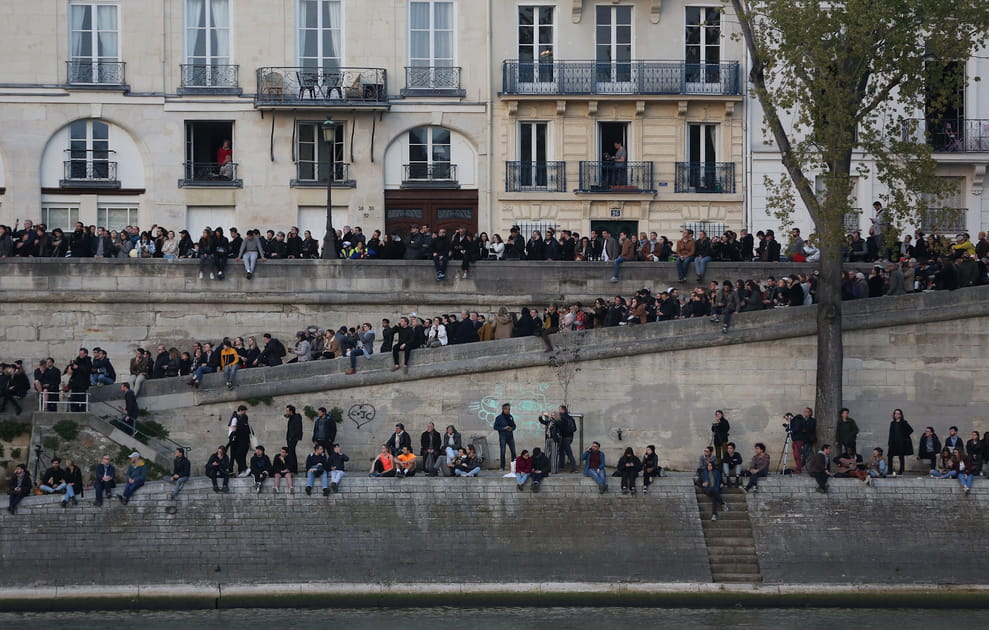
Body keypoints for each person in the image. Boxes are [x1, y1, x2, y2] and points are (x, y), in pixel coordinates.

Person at [227, 405, 253, 476]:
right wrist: (235, 435)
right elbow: (233, 428)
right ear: (241, 410)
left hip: (235, 439)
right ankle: (233, 470)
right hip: (233, 439)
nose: (244, 413)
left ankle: (240, 469)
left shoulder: (238, 418)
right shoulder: (235, 418)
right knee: (234, 455)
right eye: (244, 411)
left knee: (236, 455)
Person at [887, 410, 913, 476]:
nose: (896, 415)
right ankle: (890, 470)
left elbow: (910, 430)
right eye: (895, 413)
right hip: (893, 442)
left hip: (901, 442)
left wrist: (903, 436)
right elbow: (891, 433)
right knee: (890, 456)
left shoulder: (904, 422)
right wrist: (889, 442)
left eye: (898, 414)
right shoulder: (892, 423)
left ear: (901, 415)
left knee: (901, 456)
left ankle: (901, 470)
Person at [493, 403, 517, 471]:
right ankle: (502, 466)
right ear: (503, 409)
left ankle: (514, 466)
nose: (508, 410)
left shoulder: (510, 417)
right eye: (507, 409)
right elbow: (495, 427)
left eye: (509, 409)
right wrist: (504, 428)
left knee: (513, 452)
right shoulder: (499, 418)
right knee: (503, 452)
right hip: (503, 437)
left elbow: (514, 426)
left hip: (510, 437)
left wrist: (511, 428)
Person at [557, 405, 578, 473]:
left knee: (568, 452)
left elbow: (561, 427)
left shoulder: (562, 418)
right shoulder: (570, 418)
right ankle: (561, 466)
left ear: (563, 410)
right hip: (569, 437)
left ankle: (574, 468)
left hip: (564, 437)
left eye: (560, 409)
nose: (559, 411)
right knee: (561, 451)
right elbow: (574, 429)